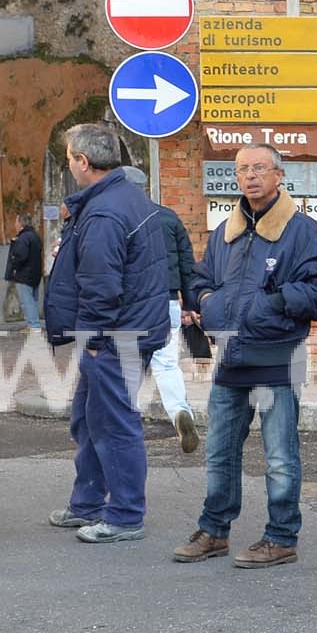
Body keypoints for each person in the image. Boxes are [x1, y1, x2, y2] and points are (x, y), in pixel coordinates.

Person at [173, 142, 317, 569]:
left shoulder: (302, 231)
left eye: (258, 168)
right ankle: (214, 530)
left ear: (278, 175)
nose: (249, 176)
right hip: (230, 358)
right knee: (219, 451)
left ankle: (281, 537)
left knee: (280, 456)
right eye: (241, 170)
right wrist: (208, 300)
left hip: (278, 359)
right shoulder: (225, 233)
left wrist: (274, 302)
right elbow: (199, 280)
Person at [44, 124, 171, 543]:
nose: (69, 168)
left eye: (69, 160)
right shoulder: (127, 198)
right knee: (88, 418)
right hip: (127, 331)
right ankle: (88, 503)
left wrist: (95, 340)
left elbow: (101, 284)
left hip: (116, 337)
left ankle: (124, 515)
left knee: (114, 424)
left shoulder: (104, 211)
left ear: (83, 162)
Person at [120, 165, 203, 453]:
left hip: (133, 305)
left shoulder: (119, 218)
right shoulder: (168, 217)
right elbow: (187, 265)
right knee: (167, 364)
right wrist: (190, 304)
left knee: (129, 365)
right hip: (167, 302)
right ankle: (180, 412)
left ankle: (123, 425)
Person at [6, 214, 44, 329]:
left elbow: (20, 256)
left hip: (24, 274)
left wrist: (14, 267)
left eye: (16, 222)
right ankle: (33, 323)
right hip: (35, 274)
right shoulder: (35, 236)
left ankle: (33, 325)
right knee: (33, 300)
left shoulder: (23, 238)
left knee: (27, 301)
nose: (14, 225)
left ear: (21, 224)